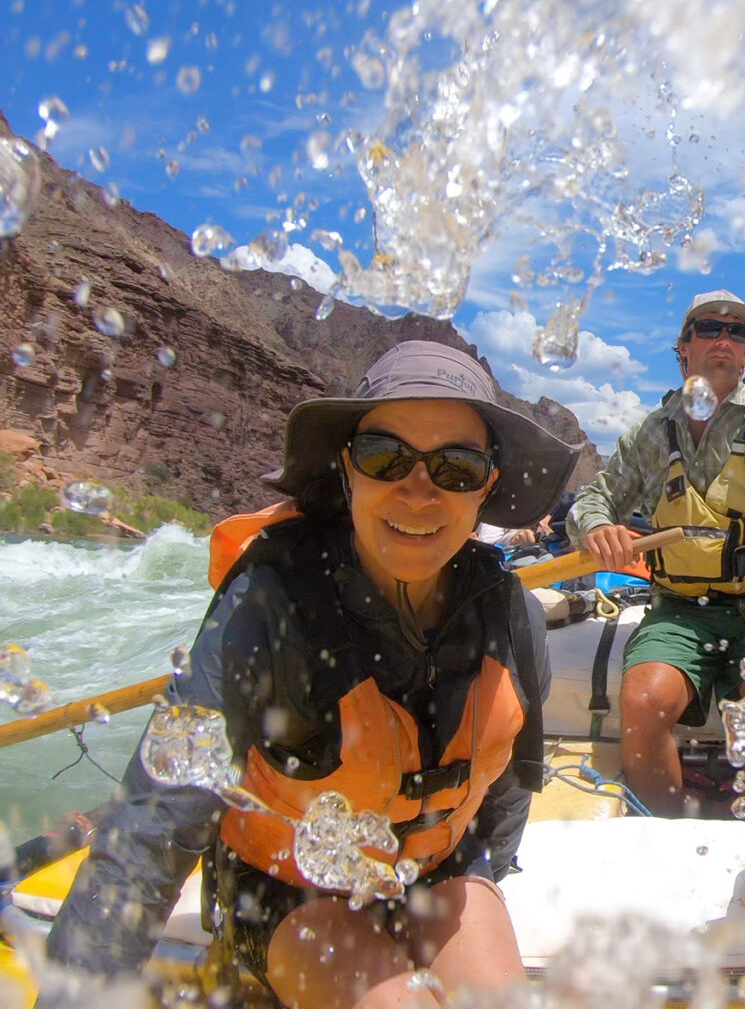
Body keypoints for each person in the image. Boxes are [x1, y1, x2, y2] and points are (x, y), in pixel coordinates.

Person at [44, 341, 579, 1009]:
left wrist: (475, 890)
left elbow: (504, 795)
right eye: (386, 457)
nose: (419, 491)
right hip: (288, 889)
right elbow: (153, 824)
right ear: (348, 470)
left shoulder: (512, 613)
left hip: (436, 868)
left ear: (488, 487)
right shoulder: (271, 603)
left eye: (457, 467)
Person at [568, 289, 745, 815]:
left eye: (739, 333)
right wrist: (597, 526)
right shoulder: (651, 433)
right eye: (710, 328)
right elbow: (593, 499)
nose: (725, 339)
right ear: (683, 347)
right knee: (642, 702)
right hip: (681, 611)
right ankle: (667, 830)